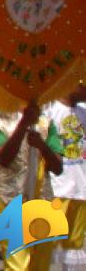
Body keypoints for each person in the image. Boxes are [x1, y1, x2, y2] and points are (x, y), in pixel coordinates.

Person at [0, 102, 63, 270]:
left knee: (40, 266)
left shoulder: (46, 123)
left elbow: (58, 168)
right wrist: (23, 124)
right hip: (11, 203)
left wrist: (42, 145)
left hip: (43, 204)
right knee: (17, 267)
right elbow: (4, 158)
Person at [43, 83, 86, 270]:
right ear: (75, 85)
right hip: (56, 189)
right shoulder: (50, 111)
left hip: (80, 190)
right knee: (44, 245)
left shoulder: (84, 113)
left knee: (73, 247)